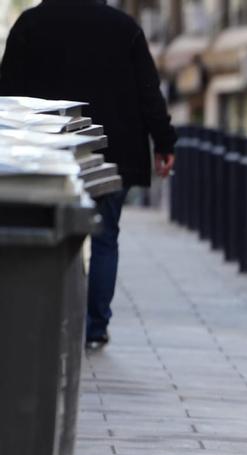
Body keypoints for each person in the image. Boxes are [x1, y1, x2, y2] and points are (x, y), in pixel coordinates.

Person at [0, 0, 176, 349]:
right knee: (106, 237)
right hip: (113, 152)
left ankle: (47, 321)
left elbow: (7, 92)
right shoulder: (124, 28)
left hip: (47, 154)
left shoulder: (31, 24)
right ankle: (95, 329)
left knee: (48, 236)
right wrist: (164, 142)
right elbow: (148, 92)